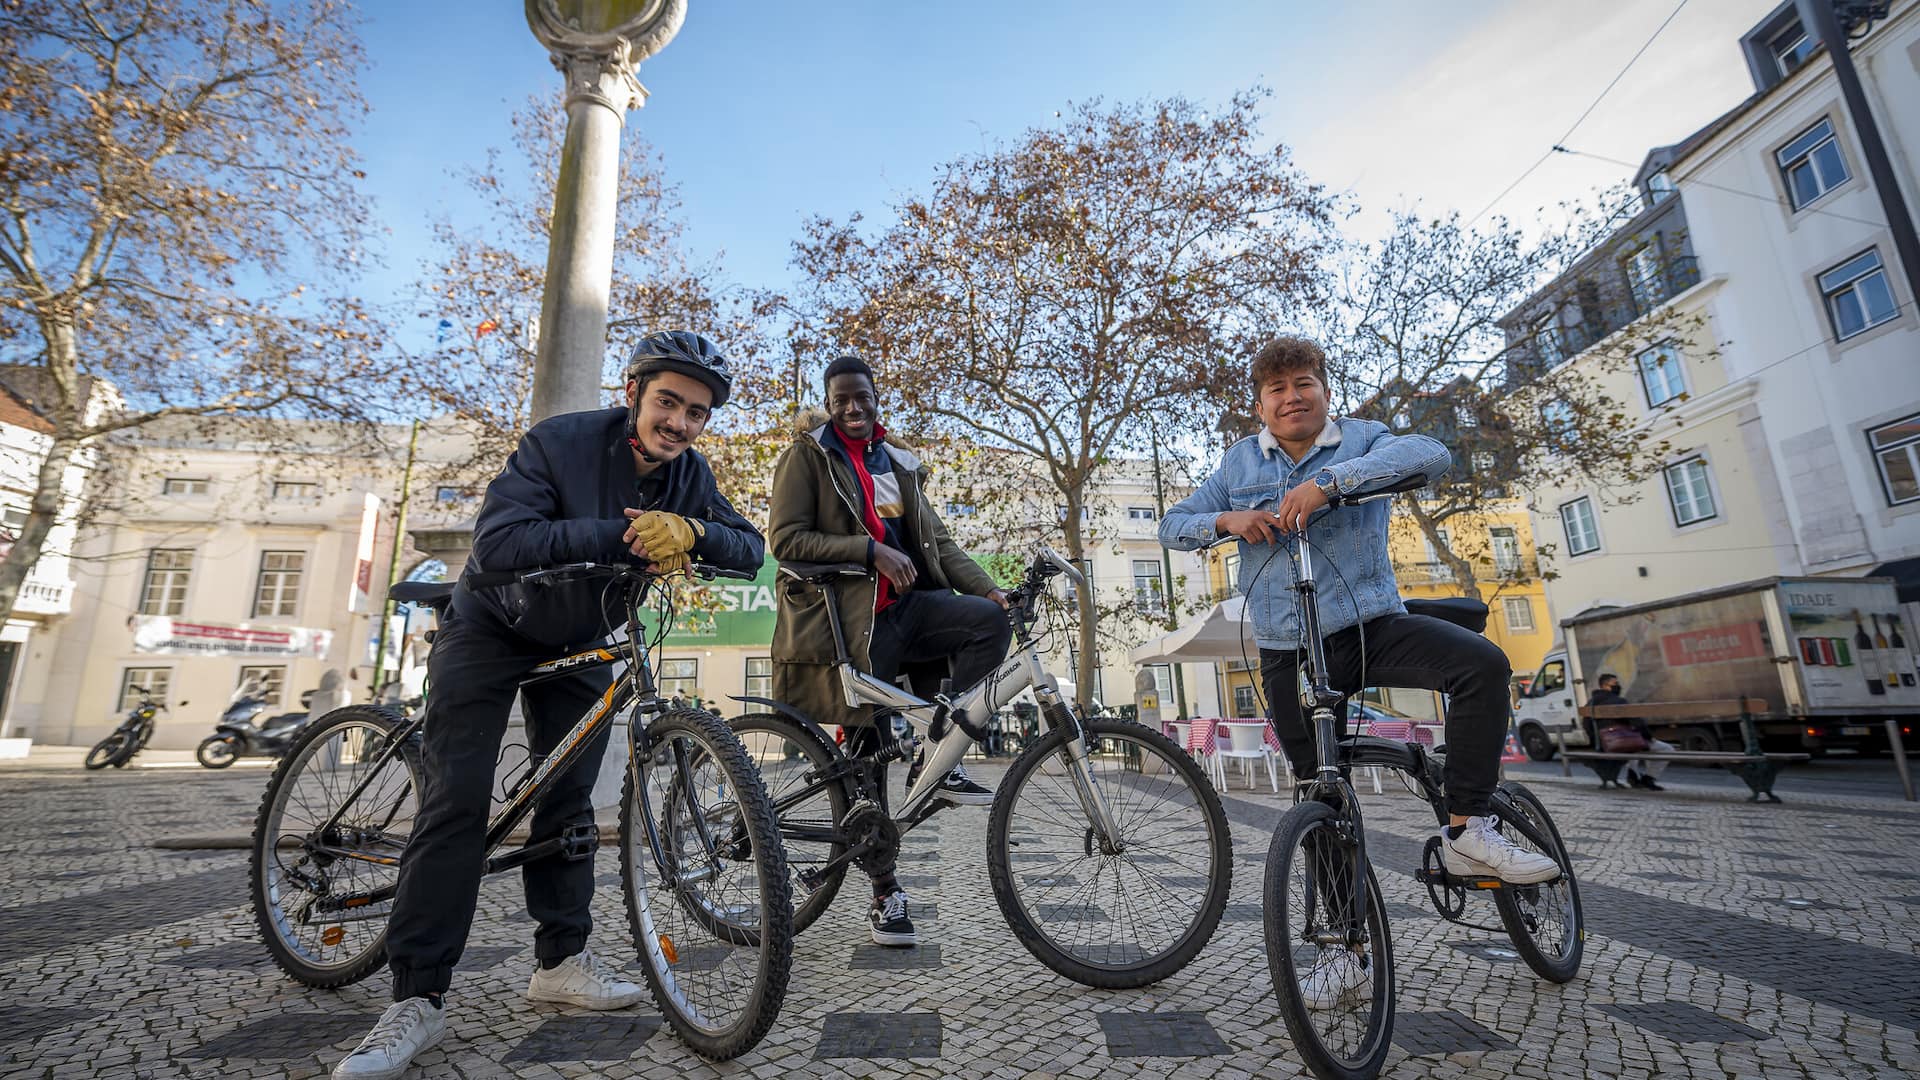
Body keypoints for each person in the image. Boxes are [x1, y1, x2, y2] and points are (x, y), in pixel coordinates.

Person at [333, 331, 765, 1080]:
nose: (680, 424)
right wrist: (632, 537)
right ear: (632, 394)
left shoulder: (688, 474)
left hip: (585, 638)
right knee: (457, 805)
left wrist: (694, 529)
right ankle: (417, 999)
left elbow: (750, 547)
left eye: (697, 413)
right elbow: (499, 543)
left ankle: (559, 963)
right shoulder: (559, 442)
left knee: (568, 807)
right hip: (491, 627)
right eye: (668, 402)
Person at [1159, 335, 1558, 1007]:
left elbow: (1429, 455)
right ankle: (1346, 950)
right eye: (1277, 389)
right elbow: (1175, 524)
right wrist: (1228, 518)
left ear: (1323, 389)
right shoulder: (1237, 463)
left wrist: (1329, 484)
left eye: (1303, 383)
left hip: (1371, 626)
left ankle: (1467, 828)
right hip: (1289, 646)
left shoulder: (1363, 438)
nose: (1292, 397)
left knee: (1484, 666)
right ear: (1260, 405)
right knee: (1321, 797)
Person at [767, 354, 1011, 948]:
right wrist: (869, 551)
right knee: (869, 764)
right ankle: (885, 896)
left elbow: (940, 542)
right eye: (841, 399)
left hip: (908, 613)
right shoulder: (807, 456)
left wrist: (987, 588)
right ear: (829, 401)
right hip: (850, 627)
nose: (853, 408)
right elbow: (786, 539)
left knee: (986, 624)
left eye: (863, 397)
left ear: (878, 398)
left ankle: (937, 755)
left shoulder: (896, 461)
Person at [1588, 672, 1669, 791]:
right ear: (1605, 686)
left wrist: (1597, 740)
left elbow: (1587, 725)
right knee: (1666, 749)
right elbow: (1637, 722)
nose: (1618, 686)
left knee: (1632, 748)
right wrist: (1649, 737)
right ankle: (1648, 778)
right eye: (1615, 683)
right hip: (1620, 742)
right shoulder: (1618, 701)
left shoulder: (1590, 703)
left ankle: (1633, 775)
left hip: (1602, 743)